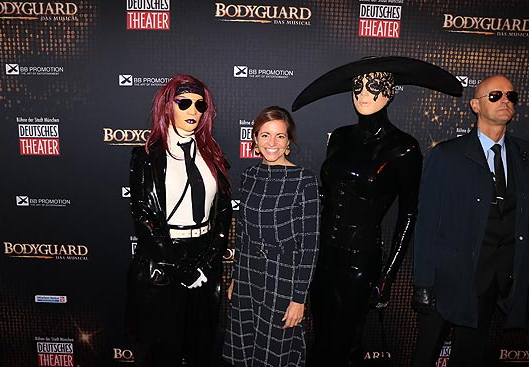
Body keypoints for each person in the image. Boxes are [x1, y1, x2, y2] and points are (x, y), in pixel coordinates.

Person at [291, 56, 463, 366]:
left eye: (374, 86)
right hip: (323, 256)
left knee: (346, 341)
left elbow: (408, 215)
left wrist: (387, 276)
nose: (364, 94)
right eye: (357, 86)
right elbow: (326, 195)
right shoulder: (340, 137)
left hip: (361, 261)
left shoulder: (404, 148)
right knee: (321, 336)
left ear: (390, 91)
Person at [411, 74, 529, 366]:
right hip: (447, 279)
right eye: (495, 95)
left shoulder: (523, 154)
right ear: (475, 105)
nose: (505, 101)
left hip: (493, 279)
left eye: (510, 96)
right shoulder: (448, 155)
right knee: (426, 354)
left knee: (470, 356)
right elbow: (426, 223)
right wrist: (423, 283)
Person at [125, 74, 232, 367]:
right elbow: (144, 217)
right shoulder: (146, 158)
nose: (193, 111)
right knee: (164, 351)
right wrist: (180, 268)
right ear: (167, 106)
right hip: (163, 262)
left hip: (205, 260)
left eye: (200, 105)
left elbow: (223, 212)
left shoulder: (213, 155)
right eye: (184, 102)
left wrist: (208, 260)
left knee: (201, 348)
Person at [222, 106, 320, 367]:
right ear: (254, 139)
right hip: (246, 277)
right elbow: (241, 232)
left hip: (282, 279)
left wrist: (299, 298)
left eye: (280, 136)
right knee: (244, 351)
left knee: (276, 353)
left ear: (289, 141)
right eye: (265, 135)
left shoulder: (304, 181)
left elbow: (310, 246)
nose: (272, 143)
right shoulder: (249, 177)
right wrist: (235, 278)